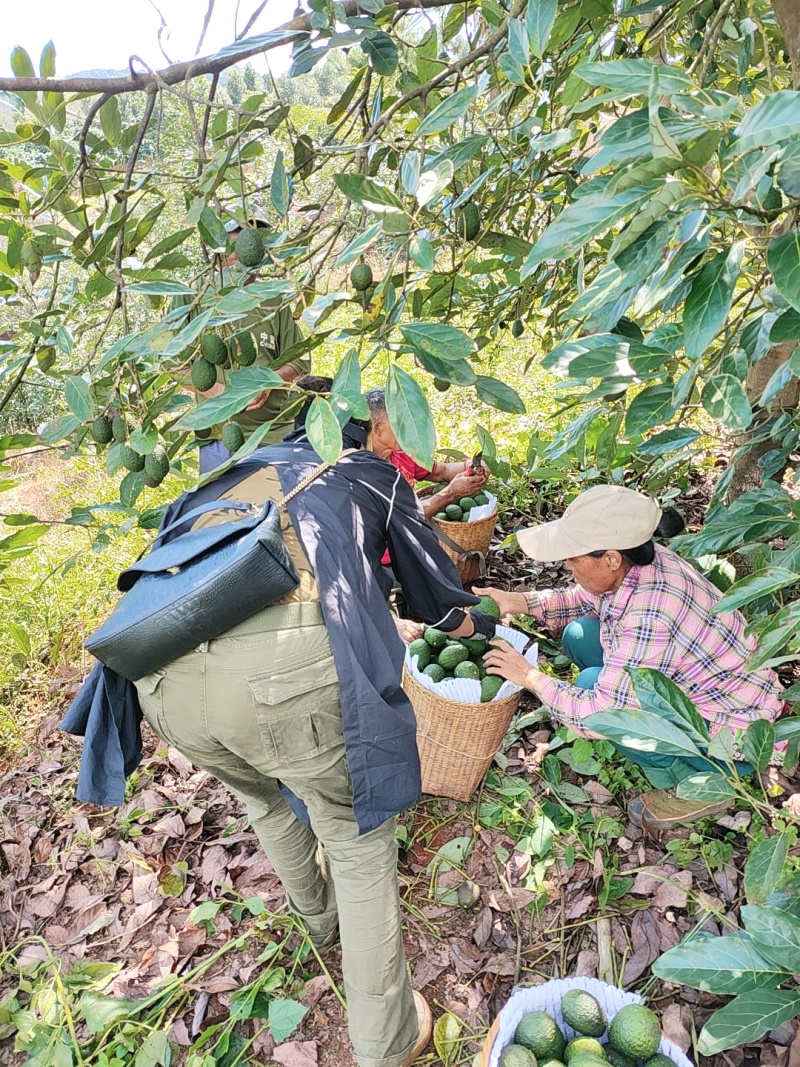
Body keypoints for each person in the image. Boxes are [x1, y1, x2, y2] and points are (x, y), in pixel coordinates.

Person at [130, 401, 498, 1067]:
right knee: (357, 841)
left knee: (265, 796)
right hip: (271, 683)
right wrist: (489, 628)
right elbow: (440, 604)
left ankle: (319, 920)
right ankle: (384, 1041)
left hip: (157, 677)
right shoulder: (367, 471)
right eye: (403, 425)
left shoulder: (242, 467)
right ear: (372, 424)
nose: (408, 442)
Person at [478, 484, 785, 829]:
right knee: (580, 635)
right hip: (706, 683)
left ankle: (703, 785)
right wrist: (516, 601)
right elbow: (582, 599)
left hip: (732, 734)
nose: (567, 565)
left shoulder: (650, 614)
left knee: (596, 692)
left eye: (573, 558)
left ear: (610, 558)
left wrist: (530, 677)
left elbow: (598, 715)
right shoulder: (639, 562)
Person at [172, 219, 309, 473]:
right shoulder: (192, 296)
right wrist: (219, 393)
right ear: (219, 250)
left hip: (273, 434)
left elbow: (299, 361)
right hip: (219, 438)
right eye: (239, 245)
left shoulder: (273, 296)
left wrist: (267, 382)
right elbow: (173, 364)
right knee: (222, 510)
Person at [364, 387, 488, 517]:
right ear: (379, 428)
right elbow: (401, 517)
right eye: (400, 424)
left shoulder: (402, 454)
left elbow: (442, 471)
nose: (410, 429)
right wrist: (451, 493)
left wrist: (472, 467)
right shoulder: (362, 471)